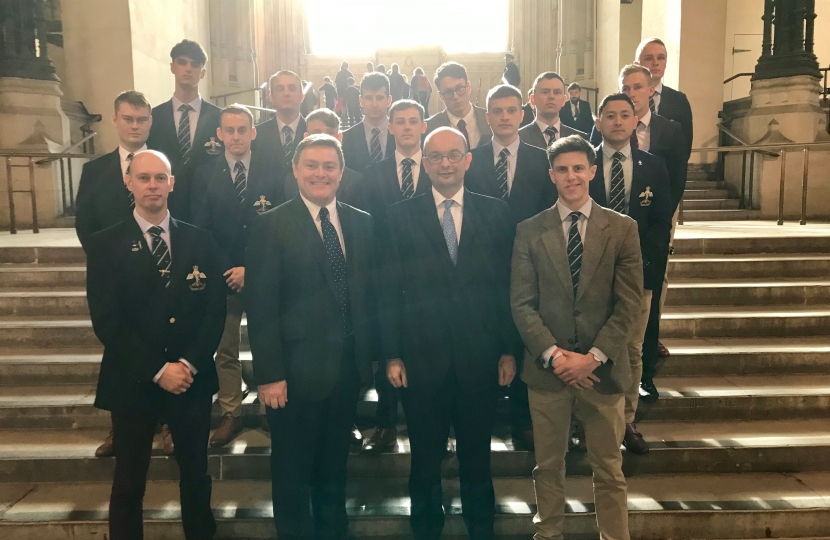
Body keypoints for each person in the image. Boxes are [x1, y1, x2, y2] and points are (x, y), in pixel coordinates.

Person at [381, 127, 518, 540]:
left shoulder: (497, 212)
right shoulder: (398, 215)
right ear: (424, 162)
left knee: (478, 458)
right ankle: (425, 529)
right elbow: (389, 290)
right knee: (423, 460)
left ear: (468, 159)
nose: (444, 163)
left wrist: (509, 350)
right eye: (435, 156)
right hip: (421, 361)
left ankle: (481, 530)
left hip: (480, 359)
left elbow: (507, 287)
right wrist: (391, 354)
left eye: (453, 155)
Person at [86, 150, 226, 540]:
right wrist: (158, 370)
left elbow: (215, 311)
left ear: (171, 183)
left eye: (159, 177)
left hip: (190, 378)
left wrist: (190, 364)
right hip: (133, 379)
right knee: (130, 479)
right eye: (143, 177)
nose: (152, 185)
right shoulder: (105, 244)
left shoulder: (200, 240)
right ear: (128, 182)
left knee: (195, 474)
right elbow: (107, 322)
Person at [511, 134, 643, 540]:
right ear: (552, 175)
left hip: (602, 371)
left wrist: (593, 357)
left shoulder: (621, 229)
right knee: (548, 464)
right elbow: (521, 303)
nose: (571, 176)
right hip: (549, 372)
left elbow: (629, 304)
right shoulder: (530, 231)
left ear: (591, 171)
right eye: (563, 169)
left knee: (608, 467)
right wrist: (556, 356)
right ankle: (549, 533)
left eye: (578, 168)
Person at [245, 134, 377, 540]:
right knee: (291, 474)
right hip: (292, 377)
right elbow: (261, 304)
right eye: (312, 165)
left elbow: (367, 295)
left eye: (329, 166)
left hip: (345, 372)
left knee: (334, 471)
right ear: (296, 170)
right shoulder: (271, 225)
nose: (321, 173)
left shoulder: (361, 222)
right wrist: (268, 374)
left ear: (341, 173)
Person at [76, 91, 176, 459]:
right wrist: (109, 264)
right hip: (118, 281)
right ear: (116, 120)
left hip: (162, 275)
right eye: (128, 119)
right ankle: (124, 427)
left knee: (167, 346)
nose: (135, 126)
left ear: (151, 122)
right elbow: (85, 224)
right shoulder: (95, 170)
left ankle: (167, 423)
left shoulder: (164, 166)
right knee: (123, 350)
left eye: (142, 119)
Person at [465, 85, 555, 451]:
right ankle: (480, 416)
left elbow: (550, 213)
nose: (503, 116)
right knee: (483, 338)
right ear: (486, 117)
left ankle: (523, 417)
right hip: (481, 265)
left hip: (530, 264)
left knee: (524, 339)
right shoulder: (471, 158)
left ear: (522, 114)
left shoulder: (542, 158)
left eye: (510, 110)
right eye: (496, 110)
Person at [190, 104, 285, 448]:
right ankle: (232, 411)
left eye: (242, 129)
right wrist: (228, 269)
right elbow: (200, 229)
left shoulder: (275, 170)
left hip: (264, 275)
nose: (235, 137)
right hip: (223, 276)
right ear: (219, 134)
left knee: (266, 344)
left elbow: (281, 226)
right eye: (228, 130)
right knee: (225, 348)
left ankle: (267, 409)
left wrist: (253, 269)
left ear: (253, 132)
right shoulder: (204, 174)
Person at [588, 92, 673, 455]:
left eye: (625, 115)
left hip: (637, 273)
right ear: (598, 121)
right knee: (591, 347)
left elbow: (659, 224)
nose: (618, 122)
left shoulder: (654, 166)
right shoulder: (583, 162)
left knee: (633, 350)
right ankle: (588, 423)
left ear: (636, 120)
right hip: (590, 275)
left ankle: (626, 422)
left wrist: (643, 270)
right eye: (610, 115)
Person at [357, 99, 430, 455]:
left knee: (430, 354)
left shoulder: (437, 168)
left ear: (422, 126)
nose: (405, 127)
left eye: (412, 121)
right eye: (399, 121)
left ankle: (437, 427)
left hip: (430, 281)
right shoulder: (373, 173)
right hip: (384, 277)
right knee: (387, 352)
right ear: (390, 127)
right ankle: (385, 424)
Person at [635, 37, 695, 362]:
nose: (655, 62)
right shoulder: (623, 102)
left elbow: (681, 159)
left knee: (657, 272)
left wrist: (667, 209)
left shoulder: (676, 102)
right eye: (648, 57)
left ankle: (651, 335)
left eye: (660, 57)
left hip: (662, 204)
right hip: (627, 204)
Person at [146, 39, 221, 223]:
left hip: (209, 210)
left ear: (202, 73)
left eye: (195, 64)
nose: (188, 68)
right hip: (164, 210)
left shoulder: (220, 117)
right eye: (182, 62)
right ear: (172, 67)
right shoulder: (153, 117)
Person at [284, 107, 363, 209]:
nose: (323, 138)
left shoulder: (356, 180)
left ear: (339, 137)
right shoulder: (291, 181)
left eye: (329, 133)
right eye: (316, 133)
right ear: (306, 137)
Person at [251, 70, 307, 182]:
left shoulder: (314, 133)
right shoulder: (256, 135)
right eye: (280, 89)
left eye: (292, 88)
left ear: (301, 96)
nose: (286, 93)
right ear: (271, 97)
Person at [425, 62, 492, 149]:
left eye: (460, 88)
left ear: (468, 87)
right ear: (441, 96)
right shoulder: (429, 127)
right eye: (448, 92)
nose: (455, 96)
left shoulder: (490, 119)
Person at [341, 72, 396, 174]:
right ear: (361, 100)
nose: (374, 104)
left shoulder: (400, 135)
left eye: (379, 98)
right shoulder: (346, 138)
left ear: (389, 100)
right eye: (369, 98)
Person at [519, 72, 587, 149]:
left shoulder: (580, 140)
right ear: (532, 99)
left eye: (557, 92)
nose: (551, 96)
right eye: (545, 92)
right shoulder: (518, 138)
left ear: (564, 100)